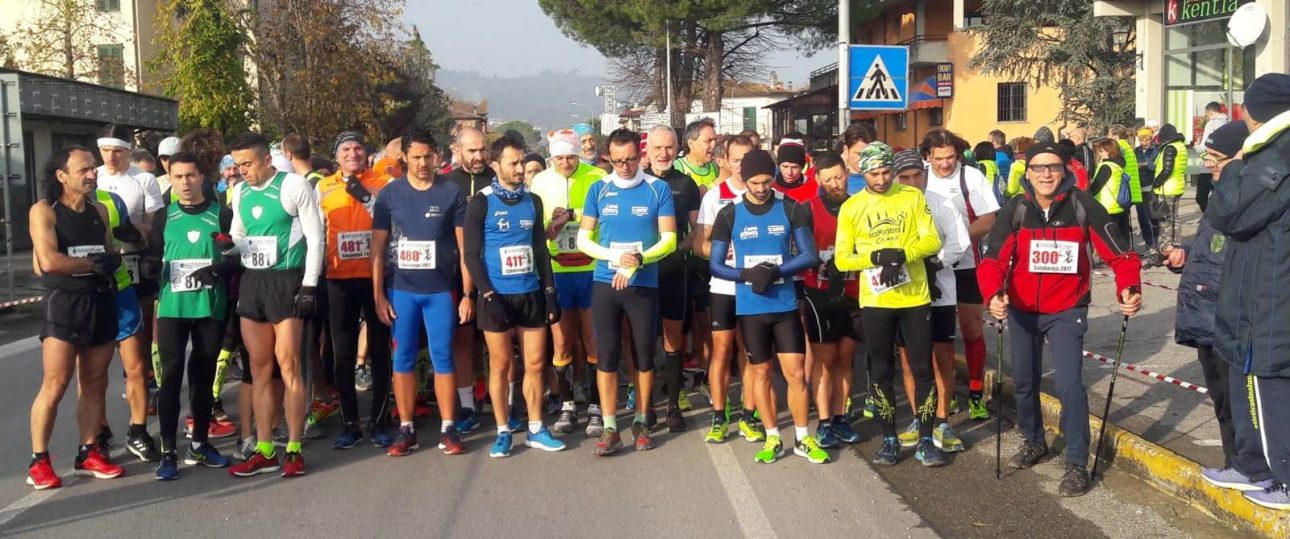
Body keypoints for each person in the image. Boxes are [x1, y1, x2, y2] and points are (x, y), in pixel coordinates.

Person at [978, 141, 1142, 497]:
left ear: (1064, 170)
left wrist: (1128, 286)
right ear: (1028, 172)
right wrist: (994, 294)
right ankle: (1033, 440)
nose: (1046, 174)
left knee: (1068, 384)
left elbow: (1120, 253)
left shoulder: (1082, 206)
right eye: (1038, 168)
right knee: (1024, 381)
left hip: (1067, 310)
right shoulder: (1016, 208)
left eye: (1052, 167)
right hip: (1022, 310)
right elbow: (992, 260)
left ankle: (1076, 462)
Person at [708, 148, 823, 464]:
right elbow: (716, 265)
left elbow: (809, 255)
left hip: (784, 303)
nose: (761, 189)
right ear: (743, 179)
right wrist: (746, 274)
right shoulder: (729, 214)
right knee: (761, 374)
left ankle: (802, 438)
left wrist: (776, 271)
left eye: (766, 182)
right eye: (754, 183)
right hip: (750, 307)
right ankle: (772, 437)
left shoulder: (791, 208)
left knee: (796, 374)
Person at [1208, 73, 1290, 510]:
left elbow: (1229, 212)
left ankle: (1284, 476)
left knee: (1271, 383)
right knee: (1247, 377)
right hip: (1253, 290)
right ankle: (1252, 465)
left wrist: (1236, 164)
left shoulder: (1274, 155)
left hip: (1272, 296)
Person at [834, 142, 945, 467]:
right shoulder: (852, 208)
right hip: (876, 300)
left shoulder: (911, 197)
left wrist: (903, 254)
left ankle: (926, 440)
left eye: (886, 172)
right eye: (874, 173)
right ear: (861, 172)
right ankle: (890, 440)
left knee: (923, 369)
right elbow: (842, 259)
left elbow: (931, 240)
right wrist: (875, 257)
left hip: (914, 297)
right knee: (881, 371)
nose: (881, 179)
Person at [225, 132, 325, 478]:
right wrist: (226, 246)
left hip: (287, 280)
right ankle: (265, 448)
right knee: (259, 367)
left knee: (289, 364)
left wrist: (310, 284)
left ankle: (294, 447)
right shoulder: (239, 192)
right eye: (237, 165)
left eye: (248, 164)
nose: (242, 171)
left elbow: (315, 237)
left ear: (267, 160)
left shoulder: (293, 185)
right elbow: (239, 235)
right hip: (253, 282)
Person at [26, 146, 126, 490]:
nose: (92, 174)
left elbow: (108, 251)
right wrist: (92, 264)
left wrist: (116, 258)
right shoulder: (44, 211)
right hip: (65, 303)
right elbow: (50, 261)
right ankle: (39, 460)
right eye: (84, 169)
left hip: (99, 300)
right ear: (61, 175)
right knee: (55, 384)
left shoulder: (99, 209)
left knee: (96, 381)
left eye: (93, 169)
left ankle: (88, 452)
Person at [463, 135, 566, 457]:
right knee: (501, 364)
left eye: (523, 162)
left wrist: (549, 291)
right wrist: (487, 293)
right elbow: (471, 255)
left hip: (530, 293)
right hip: (496, 296)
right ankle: (503, 430)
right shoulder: (481, 202)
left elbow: (539, 249)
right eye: (514, 163)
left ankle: (536, 427)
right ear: (496, 166)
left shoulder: (533, 201)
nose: (521, 168)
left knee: (535, 362)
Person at [575, 128, 676, 455]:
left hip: (643, 282)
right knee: (607, 354)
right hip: (606, 281)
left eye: (631, 160)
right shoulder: (598, 189)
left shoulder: (657, 188)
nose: (624, 167)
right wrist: (616, 258)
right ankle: (609, 427)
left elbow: (669, 239)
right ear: (609, 158)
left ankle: (642, 421)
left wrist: (638, 260)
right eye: (617, 161)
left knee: (643, 353)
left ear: (640, 155)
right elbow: (583, 240)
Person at [1161, 121, 1249, 494]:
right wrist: (1188, 254)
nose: (1209, 165)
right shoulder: (1220, 191)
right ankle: (1236, 463)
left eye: (1215, 158)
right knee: (1220, 396)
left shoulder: (1249, 193)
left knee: (1239, 399)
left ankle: (1251, 467)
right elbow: (1212, 243)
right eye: (1208, 157)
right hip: (1206, 310)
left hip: (1233, 314)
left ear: (1241, 157)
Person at [371, 128, 470, 457]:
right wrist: (378, 297)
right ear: (405, 158)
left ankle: (448, 427)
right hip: (402, 291)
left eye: (429, 156)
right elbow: (377, 249)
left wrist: (467, 293)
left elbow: (463, 247)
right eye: (416, 157)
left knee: (443, 356)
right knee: (403, 357)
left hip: (440, 290)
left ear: (436, 156)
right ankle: (406, 428)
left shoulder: (451, 193)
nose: (424, 163)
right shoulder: (390, 195)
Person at [148, 152, 235, 479]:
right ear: (169, 179)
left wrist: (218, 268)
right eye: (178, 176)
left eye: (190, 176)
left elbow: (236, 258)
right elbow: (154, 259)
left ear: (202, 177)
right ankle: (168, 451)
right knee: (170, 377)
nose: (184, 183)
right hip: (173, 308)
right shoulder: (163, 216)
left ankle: (199, 443)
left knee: (203, 376)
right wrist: (148, 268)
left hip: (210, 306)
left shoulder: (221, 214)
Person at [315, 131, 394, 450]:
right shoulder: (323, 185)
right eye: (345, 148)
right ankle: (350, 422)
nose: (352, 153)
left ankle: (379, 420)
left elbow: (392, 221)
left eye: (358, 147)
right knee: (343, 353)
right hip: (338, 277)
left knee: (379, 350)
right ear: (336, 155)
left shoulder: (384, 182)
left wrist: (365, 196)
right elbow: (317, 228)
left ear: (366, 153)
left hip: (376, 276)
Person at [891, 150, 971, 454]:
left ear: (925, 174)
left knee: (942, 358)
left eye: (916, 176)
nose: (912, 182)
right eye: (904, 177)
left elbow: (959, 241)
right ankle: (917, 418)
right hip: (905, 294)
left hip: (941, 293)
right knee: (909, 359)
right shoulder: (892, 206)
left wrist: (935, 264)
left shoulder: (942, 203)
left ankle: (941, 421)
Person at [530, 129, 608, 436]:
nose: (565, 163)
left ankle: (596, 406)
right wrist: (550, 226)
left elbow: (607, 214)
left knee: (593, 340)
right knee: (561, 341)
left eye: (571, 157)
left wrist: (572, 215)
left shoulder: (596, 177)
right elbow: (536, 224)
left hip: (590, 267)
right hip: (558, 268)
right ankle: (566, 405)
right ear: (551, 157)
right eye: (559, 158)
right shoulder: (540, 181)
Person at [95, 124, 164, 463]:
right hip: (96, 270)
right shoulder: (90, 177)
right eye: (106, 149)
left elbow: (151, 227)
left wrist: (131, 231)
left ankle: (140, 412)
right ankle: (98, 430)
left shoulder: (143, 179)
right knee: (93, 359)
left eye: (118, 149)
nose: (111, 156)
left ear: (127, 150)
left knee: (136, 346)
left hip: (133, 263)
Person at [919, 129, 999, 421]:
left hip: (966, 265)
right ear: (928, 156)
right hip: (931, 267)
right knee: (937, 336)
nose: (945, 164)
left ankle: (976, 392)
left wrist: (957, 237)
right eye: (939, 158)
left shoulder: (971, 177)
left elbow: (989, 218)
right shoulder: (920, 178)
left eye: (951, 157)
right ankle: (946, 393)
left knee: (972, 330)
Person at [697, 135, 762, 444]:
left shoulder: (767, 194)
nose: (741, 166)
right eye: (735, 160)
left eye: (746, 159)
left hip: (756, 286)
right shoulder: (714, 196)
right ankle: (719, 415)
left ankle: (749, 415)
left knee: (750, 353)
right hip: (724, 286)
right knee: (721, 351)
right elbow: (701, 244)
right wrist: (723, 254)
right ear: (725, 161)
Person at [796, 152, 862, 449]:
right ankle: (823, 422)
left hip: (854, 291)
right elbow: (801, 251)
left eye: (839, 176)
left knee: (845, 357)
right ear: (818, 179)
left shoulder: (860, 205)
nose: (835, 183)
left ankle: (839, 417)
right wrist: (820, 264)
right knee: (825, 358)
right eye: (828, 179)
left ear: (847, 173)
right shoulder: (808, 208)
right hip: (820, 291)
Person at [645, 125, 701, 431]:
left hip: (674, 269)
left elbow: (697, 229)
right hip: (642, 270)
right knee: (643, 339)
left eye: (669, 148)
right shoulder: (636, 181)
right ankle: (647, 404)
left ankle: (673, 405)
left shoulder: (686, 184)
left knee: (673, 337)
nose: (664, 154)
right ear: (648, 150)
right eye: (658, 148)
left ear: (677, 149)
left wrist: (681, 249)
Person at [442, 127, 492, 432]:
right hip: (457, 274)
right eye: (471, 150)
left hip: (493, 272)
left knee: (496, 342)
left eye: (482, 149)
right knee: (461, 342)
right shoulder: (446, 184)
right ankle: (467, 406)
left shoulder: (498, 181)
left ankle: (507, 403)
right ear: (457, 149)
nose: (478, 156)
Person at [1151, 123, 1187, 261]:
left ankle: (1167, 248)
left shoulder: (1170, 147)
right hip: (1177, 185)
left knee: (1165, 219)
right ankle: (1176, 245)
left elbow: (1167, 169)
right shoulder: (1180, 146)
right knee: (1174, 218)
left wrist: (1156, 183)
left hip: (1167, 187)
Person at [1089, 138, 1130, 237]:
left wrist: (1088, 191)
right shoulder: (1118, 165)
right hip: (1117, 205)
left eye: (1102, 151)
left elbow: (1096, 187)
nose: (1100, 154)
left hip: (1106, 206)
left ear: (1109, 151)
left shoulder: (1106, 166)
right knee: (1119, 236)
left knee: (1107, 238)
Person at [1194, 102, 1229, 212]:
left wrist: (1196, 145)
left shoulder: (1212, 124)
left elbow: (1204, 147)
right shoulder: (1228, 123)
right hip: (1224, 165)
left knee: (1201, 196)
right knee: (1218, 196)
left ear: (1210, 113)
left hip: (1209, 166)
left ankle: (1208, 218)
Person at [675, 118, 719, 195]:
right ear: (691, 144)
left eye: (715, 140)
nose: (713, 145)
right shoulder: (677, 167)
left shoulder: (715, 167)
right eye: (708, 141)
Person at [772, 136, 816, 202]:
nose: (789, 172)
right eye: (785, 166)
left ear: (802, 167)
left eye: (794, 167)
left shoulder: (814, 189)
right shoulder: (771, 189)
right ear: (779, 166)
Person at [841, 122, 877, 195]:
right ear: (846, 150)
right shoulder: (834, 181)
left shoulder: (885, 179)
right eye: (859, 154)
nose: (864, 159)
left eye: (868, 154)